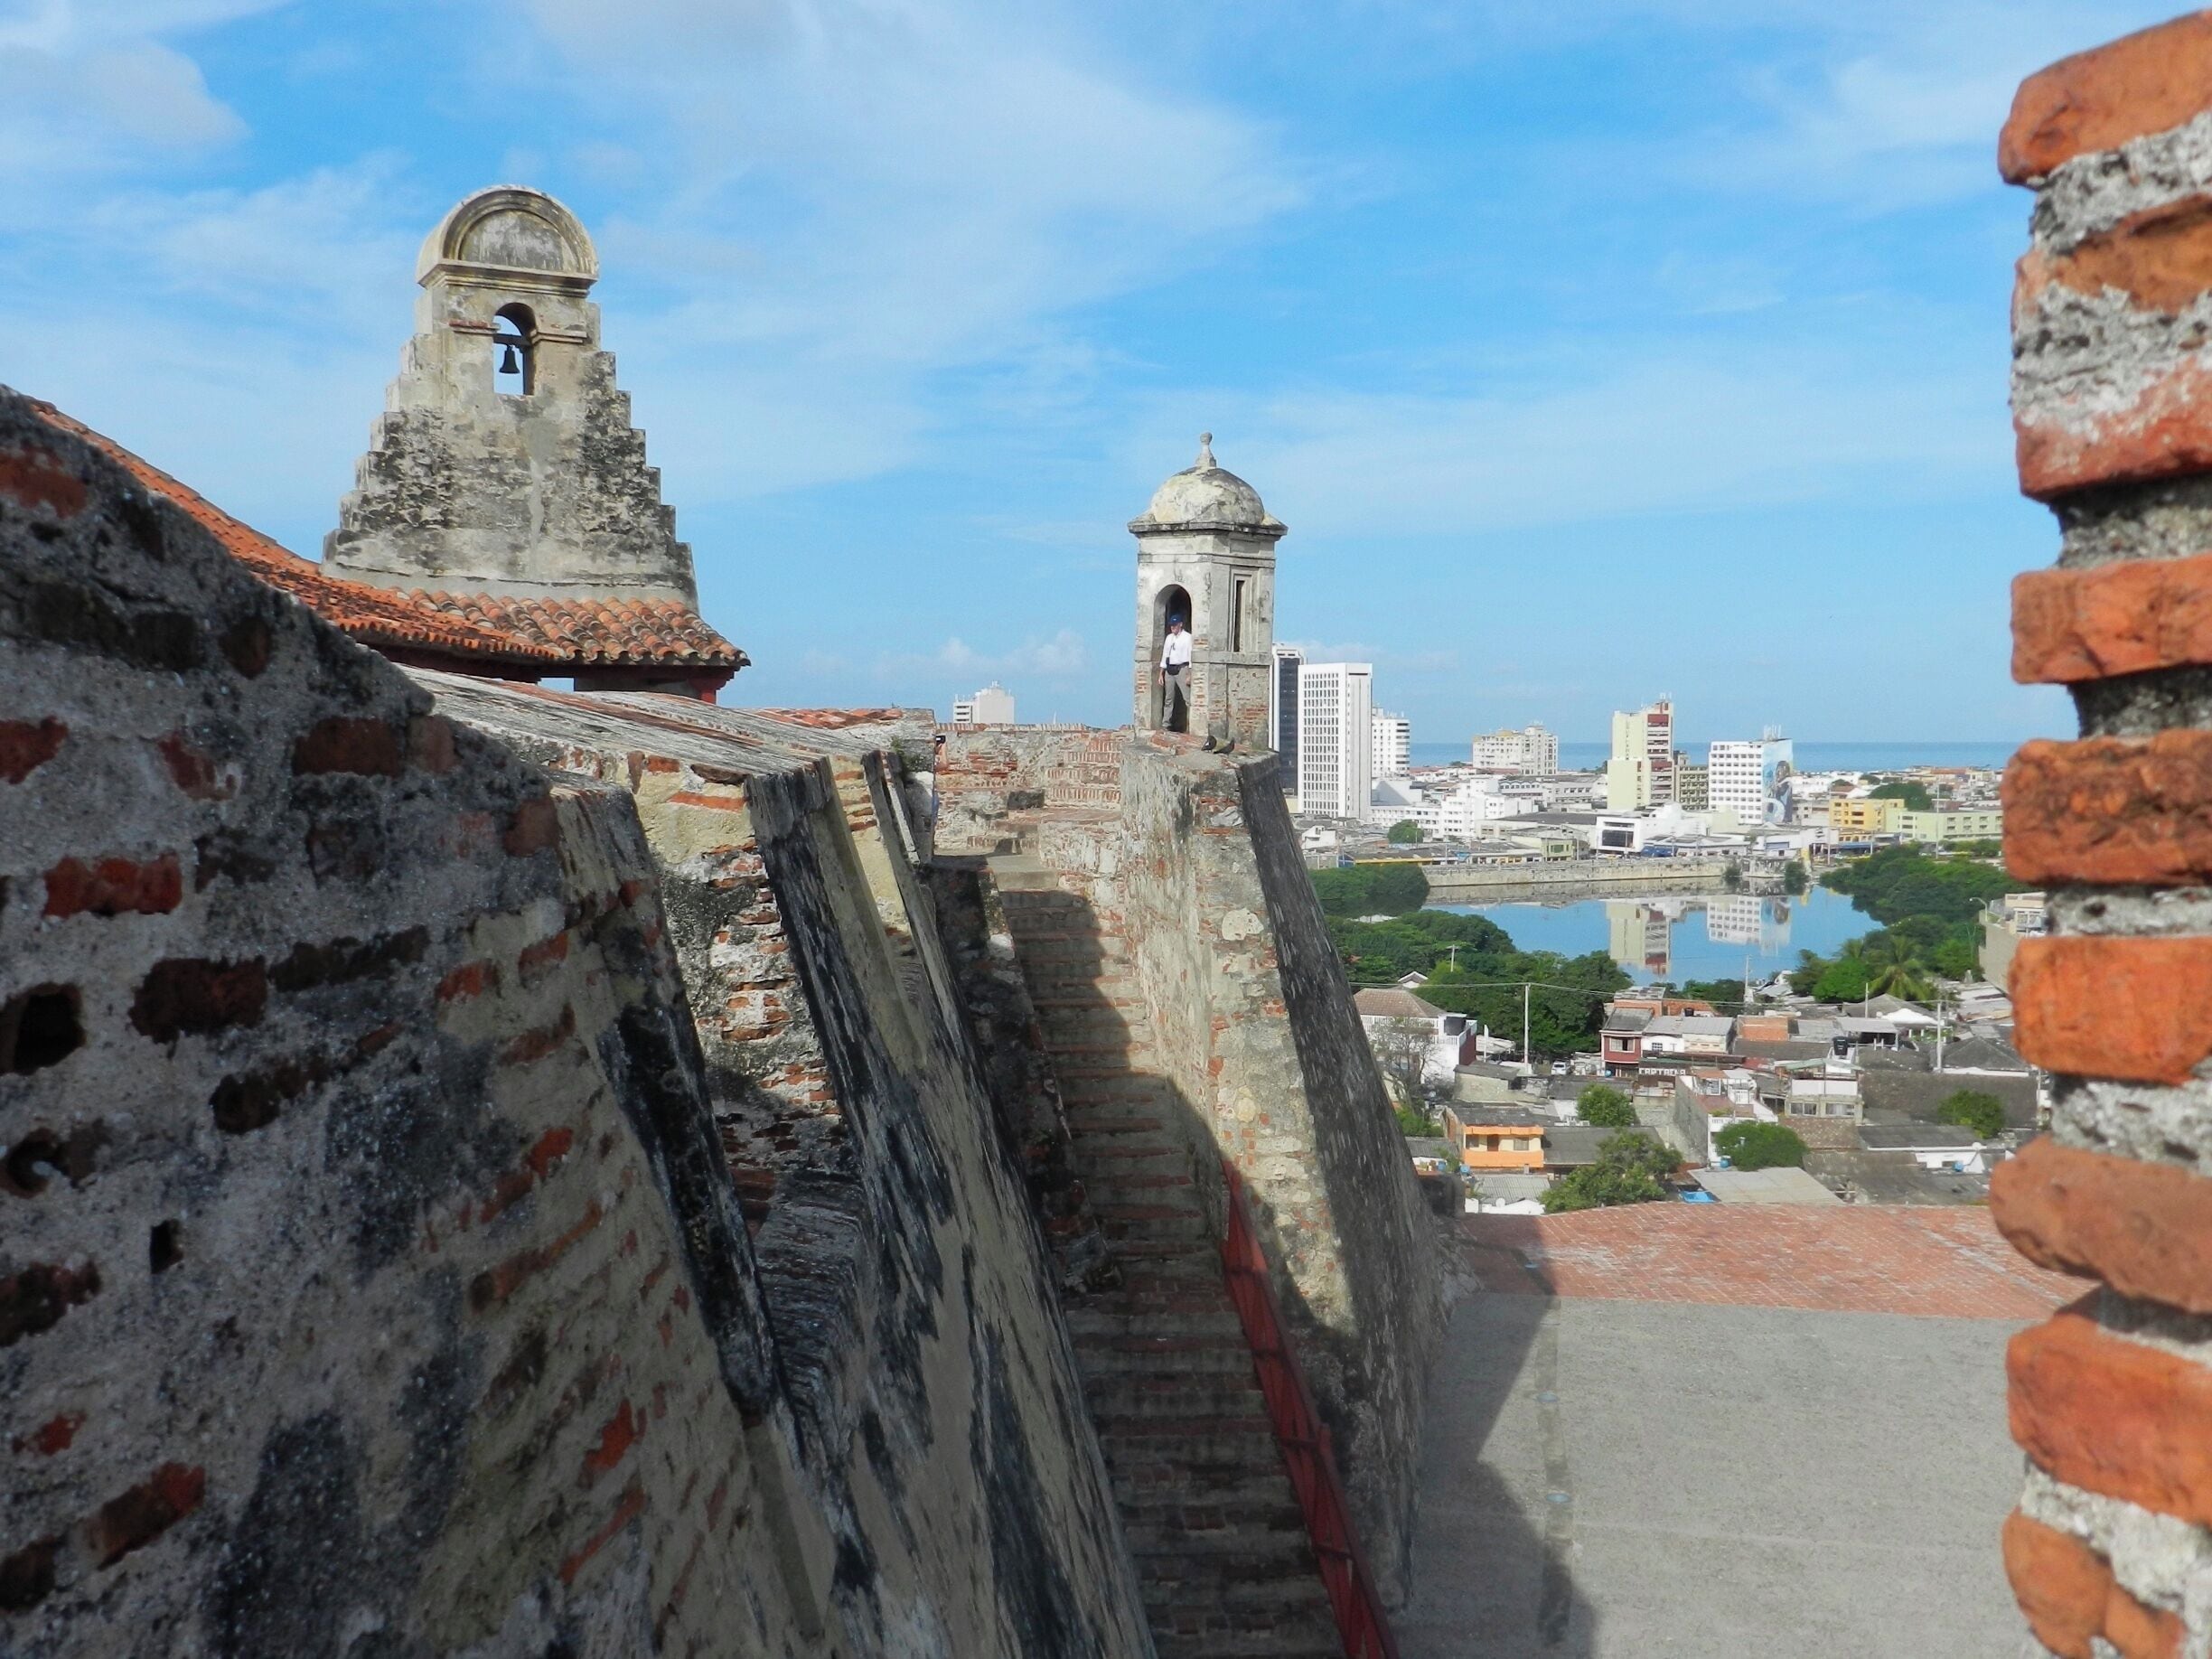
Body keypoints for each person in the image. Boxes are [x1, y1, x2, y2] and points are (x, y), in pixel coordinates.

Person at [1158, 614, 1192, 732]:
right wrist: (1161, 673)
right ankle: (1166, 724)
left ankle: (1191, 725)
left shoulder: (1188, 638)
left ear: (1180, 624)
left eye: (1175, 625)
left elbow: (1190, 655)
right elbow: (1165, 655)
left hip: (1182, 668)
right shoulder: (1169, 638)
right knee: (1169, 698)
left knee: (1187, 698)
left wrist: (1189, 674)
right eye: (1172, 625)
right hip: (1170, 669)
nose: (1173, 627)